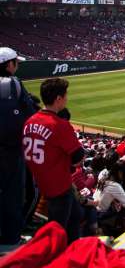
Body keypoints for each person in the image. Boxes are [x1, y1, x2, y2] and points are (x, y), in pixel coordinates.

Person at [22, 77, 85, 243]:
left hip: (41, 182)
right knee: (57, 232)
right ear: (58, 98)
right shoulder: (59, 125)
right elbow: (78, 156)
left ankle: (73, 250)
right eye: (65, 95)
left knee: (76, 215)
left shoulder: (29, 121)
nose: (66, 98)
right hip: (59, 186)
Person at [0, 47, 38, 245]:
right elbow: (30, 114)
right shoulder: (13, 84)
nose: (18, 66)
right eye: (16, 62)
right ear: (9, 64)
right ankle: (11, 237)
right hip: (11, 149)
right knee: (13, 193)